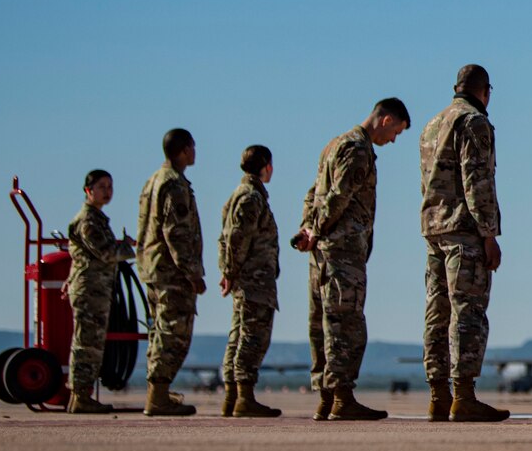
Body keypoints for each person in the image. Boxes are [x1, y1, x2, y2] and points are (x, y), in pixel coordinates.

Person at [294, 99, 410, 421]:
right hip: (342, 250)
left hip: (323, 252)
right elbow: (338, 196)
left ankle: (326, 398)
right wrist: (315, 229)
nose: (394, 140)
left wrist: (307, 228)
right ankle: (342, 398)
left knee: (323, 323)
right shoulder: (358, 149)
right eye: (396, 132)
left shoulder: (333, 145)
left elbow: (313, 193)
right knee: (347, 325)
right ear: (385, 120)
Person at [418, 65, 508, 422]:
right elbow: (477, 181)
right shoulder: (473, 123)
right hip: (463, 230)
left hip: (434, 229)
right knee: (468, 312)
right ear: (485, 91)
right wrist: (489, 234)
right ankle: (464, 394)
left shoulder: (432, 125)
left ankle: (438, 395)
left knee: (437, 313)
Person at [136, 128, 205, 417]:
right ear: (184, 150)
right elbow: (175, 232)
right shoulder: (173, 184)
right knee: (173, 333)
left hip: (153, 268)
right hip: (170, 271)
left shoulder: (153, 180)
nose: (196, 152)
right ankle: (158, 396)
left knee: (160, 331)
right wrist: (192, 272)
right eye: (193, 147)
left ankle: (158, 393)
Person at [218, 144, 282, 418]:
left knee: (239, 336)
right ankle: (243, 396)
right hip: (254, 281)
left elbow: (228, 239)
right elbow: (236, 239)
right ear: (266, 165)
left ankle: (233, 397)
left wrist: (228, 271)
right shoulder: (250, 198)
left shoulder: (241, 195)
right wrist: (231, 271)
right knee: (252, 338)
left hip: (248, 279)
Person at [65, 169, 135, 414]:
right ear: (88, 190)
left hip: (97, 289)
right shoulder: (89, 221)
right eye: (102, 187)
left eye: (110, 186)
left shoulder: (97, 219)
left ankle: (80, 396)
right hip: (90, 290)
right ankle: (81, 395)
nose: (107, 191)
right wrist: (127, 248)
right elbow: (105, 253)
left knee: (90, 342)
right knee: (87, 344)